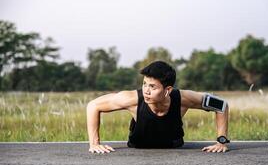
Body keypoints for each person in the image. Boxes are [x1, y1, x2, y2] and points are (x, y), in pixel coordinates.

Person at [86, 61, 229, 154]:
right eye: (144, 84)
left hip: (174, 150)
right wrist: (94, 144)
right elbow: (93, 105)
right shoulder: (133, 99)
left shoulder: (183, 99)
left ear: (167, 90)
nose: (146, 90)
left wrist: (221, 141)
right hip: (138, 151)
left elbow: (222, 105)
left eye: (152, 86)